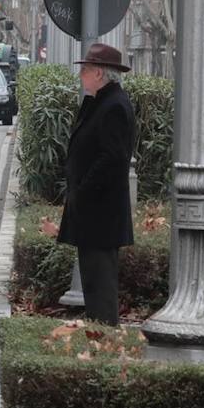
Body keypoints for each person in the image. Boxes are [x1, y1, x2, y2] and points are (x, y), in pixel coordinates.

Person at [57, 42, 136, 326]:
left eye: (86, 70)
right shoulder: (101, 102)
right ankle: (98, 340)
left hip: (101, 214)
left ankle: (105, 345)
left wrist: (83, 191)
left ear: (100, 74)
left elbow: (112, 159)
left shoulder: (113, 106)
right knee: (93, 284)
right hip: (94, 213)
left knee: (100, 288)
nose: (82, 76)